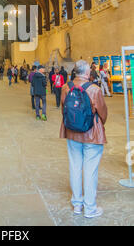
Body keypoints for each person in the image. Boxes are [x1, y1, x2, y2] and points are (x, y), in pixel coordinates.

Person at [60, 60, 108, 219]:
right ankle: (90, 208)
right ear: (87, 73)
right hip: (91, 134)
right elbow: (103, 113)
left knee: (75, 166)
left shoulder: (66, 87)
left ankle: (77, 205)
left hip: (72, 132)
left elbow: (63, 109)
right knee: (90, 170)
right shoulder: (94, 89)